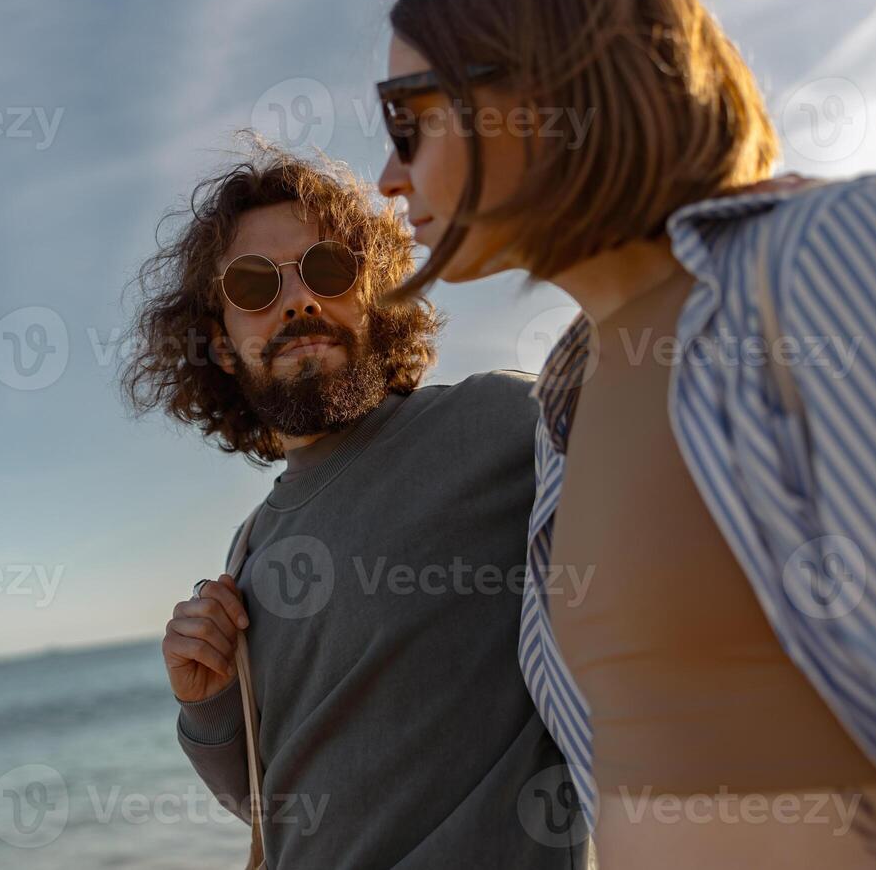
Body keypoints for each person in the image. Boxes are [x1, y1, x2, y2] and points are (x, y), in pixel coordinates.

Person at [373, 0, 876, 869]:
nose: (387, 174)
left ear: (543, 89)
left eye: (407, 117)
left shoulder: (819, 258)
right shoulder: (569, 399)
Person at [122, 138, 590, 869]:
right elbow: (278, 810)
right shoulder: (250, 548)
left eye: (328, 269)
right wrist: (209, 704)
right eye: (254, 287)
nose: (300, 300)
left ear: (375, 297)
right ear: (219, 342)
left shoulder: (499, 423)